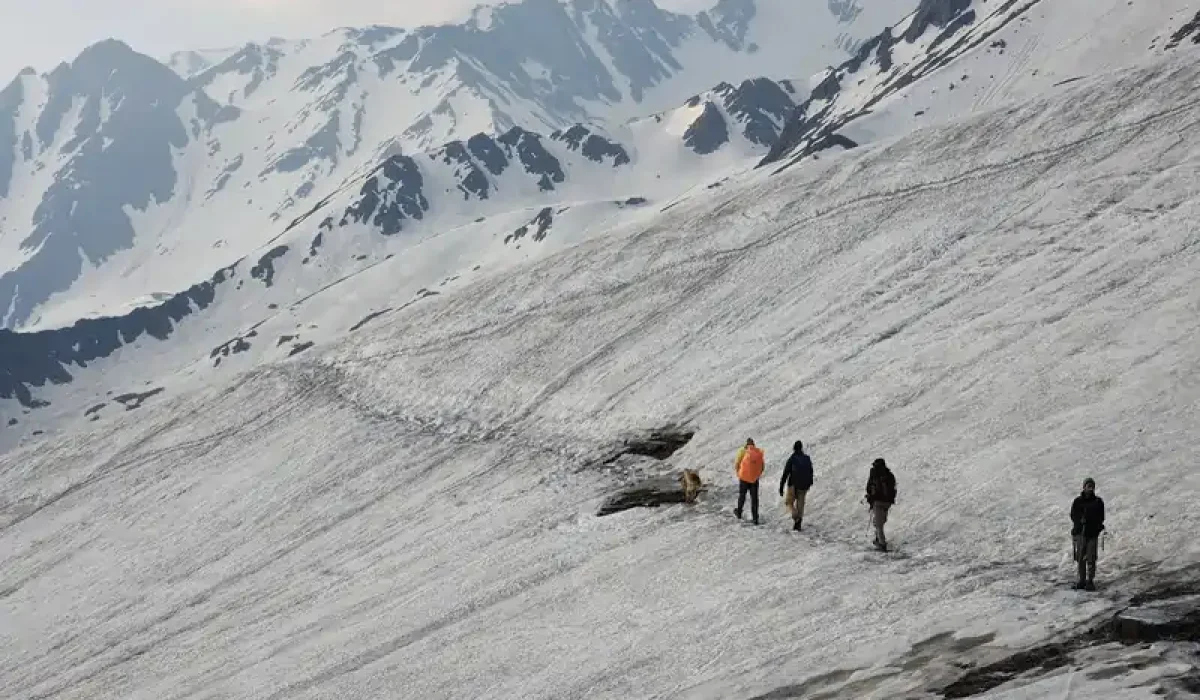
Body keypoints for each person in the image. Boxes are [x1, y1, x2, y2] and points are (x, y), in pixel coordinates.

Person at [1070, 478, 1105, 591]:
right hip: (1080, 533)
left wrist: (1095, 525)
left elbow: (1101, 517)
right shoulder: (1077, 501)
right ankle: (1082, 580)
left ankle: (1090, 581)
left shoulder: (1098, 502)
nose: (1090, 488)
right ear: (1084, 487)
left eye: (1092, 486)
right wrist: (1080, 521)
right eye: (1088, 486)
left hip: (1092, 534)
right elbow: (1073, 515)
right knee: (1081, 558)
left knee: (1091, 557)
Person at [779, 440, 814, 531]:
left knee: (788, 502)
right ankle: (798, 524)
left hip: (793, 485)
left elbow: (785, 473)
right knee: (800, 505)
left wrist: (781, 487)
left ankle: (796, 517)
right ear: (801, 448)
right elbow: (811, 471)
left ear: (794, 448)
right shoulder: (807, 458)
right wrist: (810, 482)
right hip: (804, 485)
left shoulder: (792, 459)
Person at [865, 458, 896, 551]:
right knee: (880, 521)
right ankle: (879, 539)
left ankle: (882, 544)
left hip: (877, 502)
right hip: (887, 503)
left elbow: (868, 488)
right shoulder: (889, 475)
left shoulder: (874, 474)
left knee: (879, 524)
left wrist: (870, 498)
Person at [734, 438, 765, 525]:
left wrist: (739, 474)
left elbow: (737, 464)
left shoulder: (742, 451)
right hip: (754, 480)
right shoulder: (757, 453)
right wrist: (756, 475)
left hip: (743, 478)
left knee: (742, 495)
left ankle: (739, 512)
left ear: (746, 444)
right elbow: (762, 467)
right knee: (754, 499)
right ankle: (755, 518)